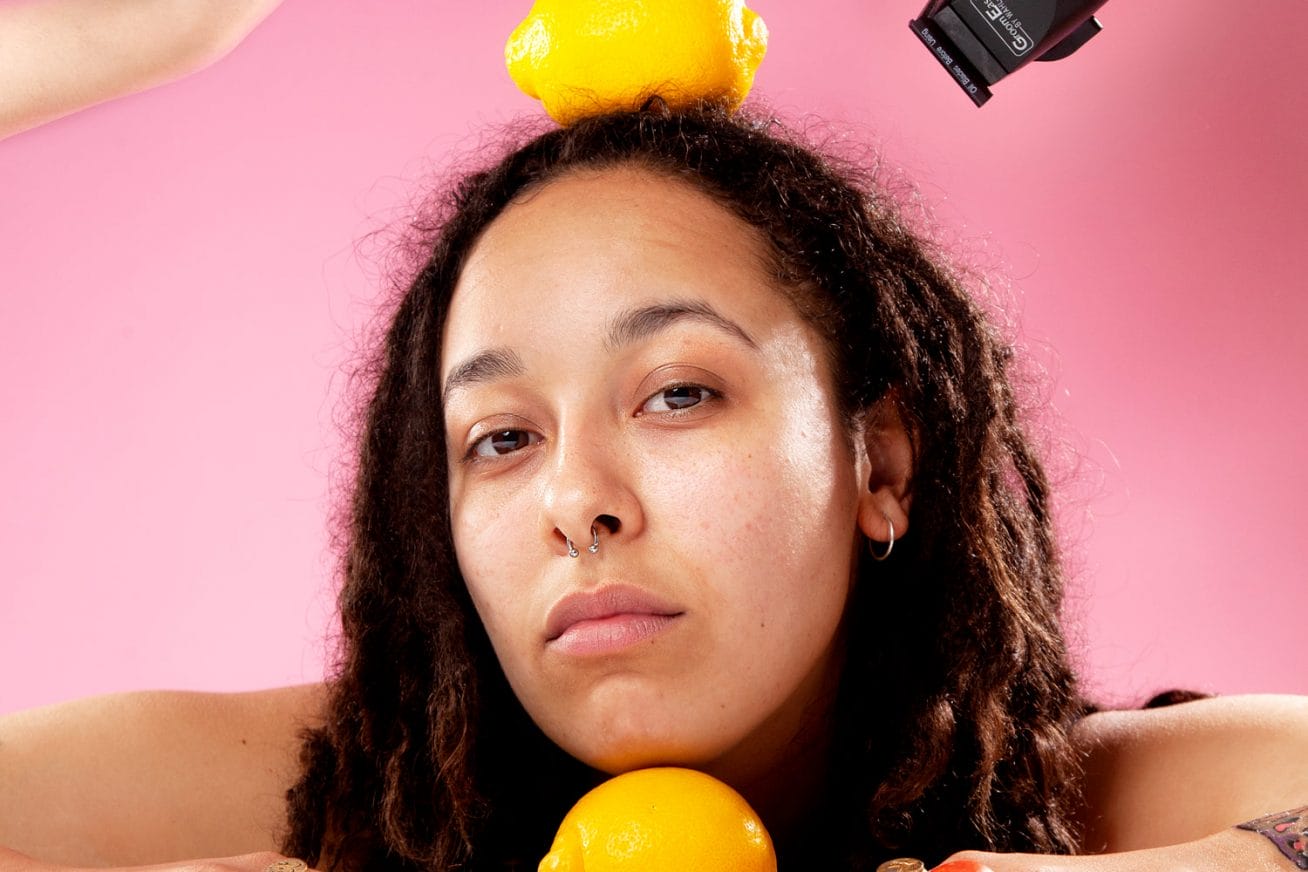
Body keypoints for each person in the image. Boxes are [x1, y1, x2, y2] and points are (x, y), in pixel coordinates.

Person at [1, 104, 1306, 872]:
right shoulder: (326, 792)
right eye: (500, 440)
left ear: (883, 464)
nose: (579, 500)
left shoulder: (1097, 806)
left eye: (677, 393)